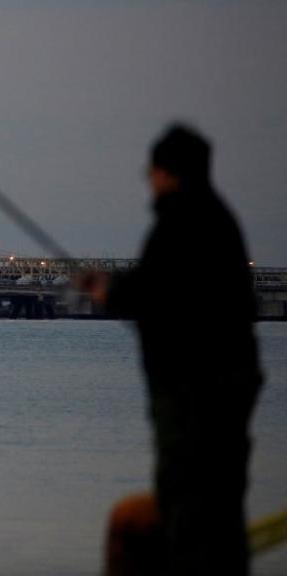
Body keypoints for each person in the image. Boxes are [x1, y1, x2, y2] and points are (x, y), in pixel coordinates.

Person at [83, 124, 263, 575]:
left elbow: (150, 290)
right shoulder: (222, 222)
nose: (150, 181)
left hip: (190, 401)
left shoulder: (178, 223)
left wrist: (106, 292)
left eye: (153, 171)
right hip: (230, 396)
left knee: (187, 514)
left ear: (168, 173)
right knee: (221, 516)